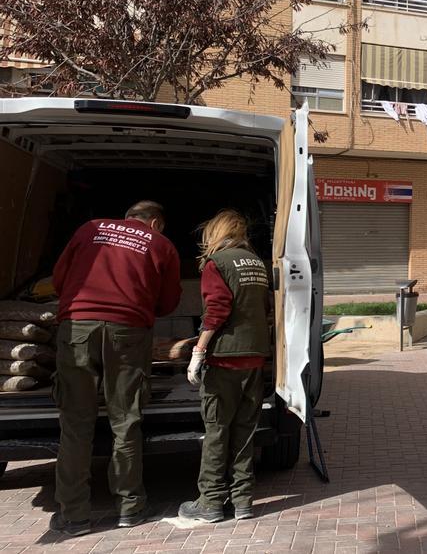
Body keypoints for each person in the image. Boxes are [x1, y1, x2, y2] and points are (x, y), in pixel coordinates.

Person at [50, 200, 182, 536]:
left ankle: (74, 516)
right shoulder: (160, 244)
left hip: (77, 327)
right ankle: (130, 508)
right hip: (128, 331)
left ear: (128, 218)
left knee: (75, 424)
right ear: (155, 223)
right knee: (125, 421)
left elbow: (59, 278)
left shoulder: (89, 229)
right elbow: (167, 303)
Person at [177, 210, 273, 523]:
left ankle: (211, 503)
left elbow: (216, 309)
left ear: (215, 234)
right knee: (245, 432)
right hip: (254, 357)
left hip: (225, 358)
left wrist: (199, 350)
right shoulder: (257, 263)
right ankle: (243, 501)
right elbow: (266, 308)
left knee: (217, 431)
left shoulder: (217, 263)